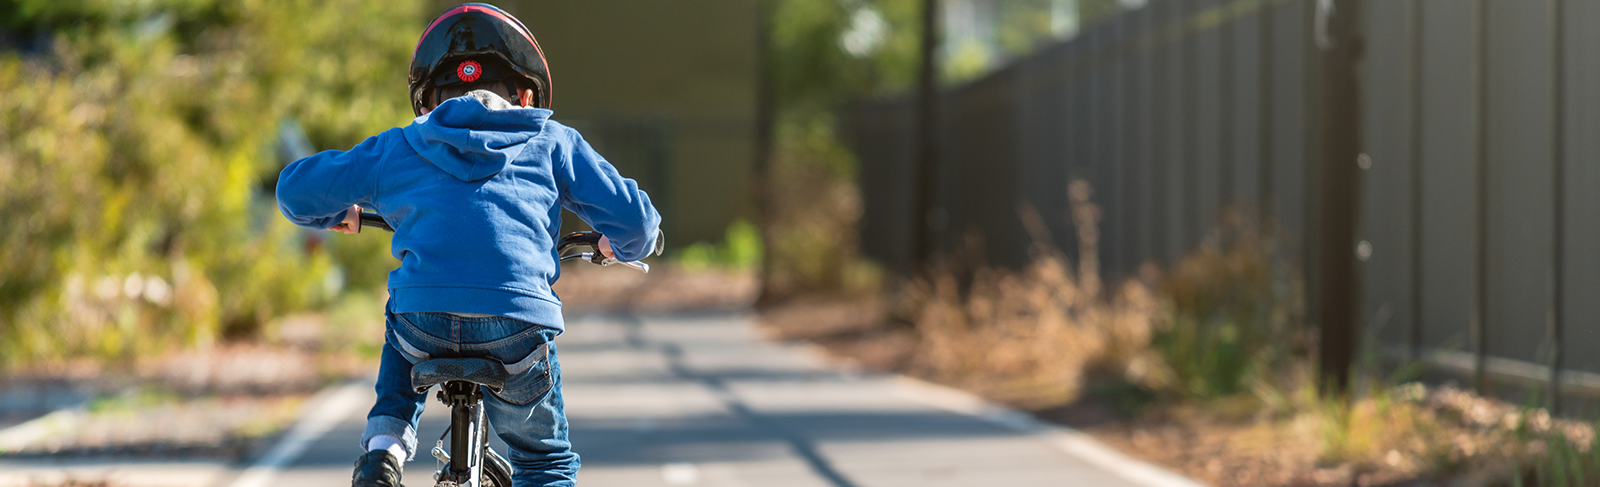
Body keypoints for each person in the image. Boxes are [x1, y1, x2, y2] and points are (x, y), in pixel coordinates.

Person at [274, 4, 662, 486]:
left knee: (402, 320)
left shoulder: (400, 145)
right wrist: (614, 247)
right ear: (525, 96)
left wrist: (342, 213)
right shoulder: (552, 140)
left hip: (424, 324)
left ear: (427, 101)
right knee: (545, 463)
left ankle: (385, 448)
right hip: (516, 327)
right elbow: (640, 226)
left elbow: (294, 191)